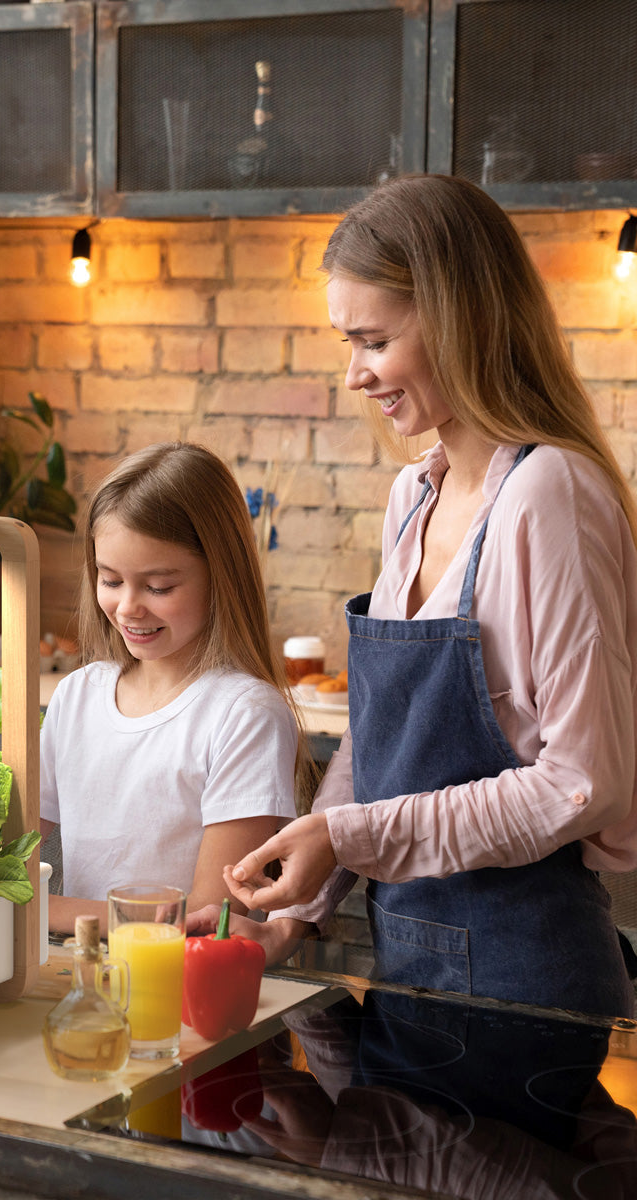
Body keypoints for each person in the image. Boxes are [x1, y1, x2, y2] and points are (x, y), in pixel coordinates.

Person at [225, 174, 637, 1018]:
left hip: (527, 980)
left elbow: (583, 782)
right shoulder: (414, 496)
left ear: (460, 321)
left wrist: (348, 835)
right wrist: (295, 909)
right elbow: (382, 745)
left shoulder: (549, 492)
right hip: (407, 957)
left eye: (372, 341)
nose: (354, 375)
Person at [39, 442, 309, 935]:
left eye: (159, 587)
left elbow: (211, 919)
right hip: (79, 976)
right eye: (110, 580)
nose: (127, 607)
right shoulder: (75, 695)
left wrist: (47, 913)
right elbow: (12, 864)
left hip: (182, 991)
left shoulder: (245, 714)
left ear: (221, 575)